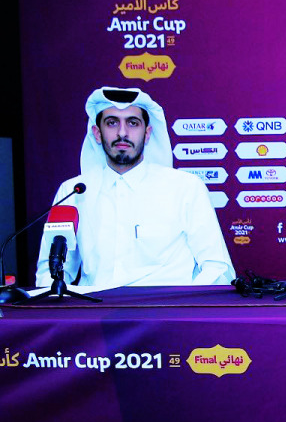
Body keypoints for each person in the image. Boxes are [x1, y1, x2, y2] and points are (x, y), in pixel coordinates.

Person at [35, 87, 235, 287]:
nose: (122, 133)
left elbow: (217, 268)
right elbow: (50, 273)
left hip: (167, 311)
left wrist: (183, 308)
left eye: (133, 123)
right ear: (97, 133)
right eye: (112, 123)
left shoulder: (185, 187)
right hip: (95, 313)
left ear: (147, 134)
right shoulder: (73, 191)